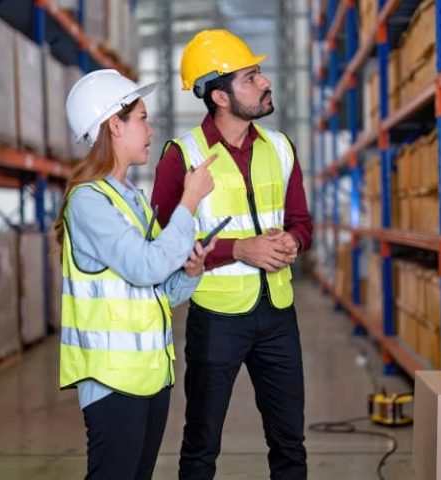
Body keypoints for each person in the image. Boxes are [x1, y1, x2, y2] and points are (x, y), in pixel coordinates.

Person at [151, 30, 313, 479]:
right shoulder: (181, 156)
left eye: (260, 74)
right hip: (216, 318)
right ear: (220, 95)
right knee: (201, 446)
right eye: (251, 77)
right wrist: (239, 249)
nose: (265, 84)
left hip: (278, 314)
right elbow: (163, 246)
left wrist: (293, 242)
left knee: (290, 443)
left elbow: (302, 222)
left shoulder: (279, 147)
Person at [55, 69, 218, 480]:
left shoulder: (134, 202)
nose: (150, 129)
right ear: (115, 124)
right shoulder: (89, 202)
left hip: (150, 376)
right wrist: (189, 202)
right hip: (112, 382)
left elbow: (160, 290)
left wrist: (191, 272)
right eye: (142, 118)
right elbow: (144, 266)